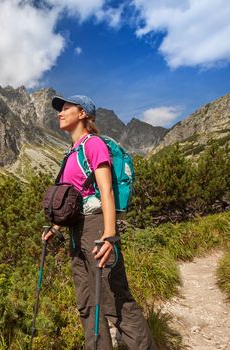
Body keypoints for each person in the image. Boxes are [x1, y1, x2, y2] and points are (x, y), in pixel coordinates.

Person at [41, 95, 156, 349]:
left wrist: (109, 235)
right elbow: (74, 199)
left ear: (82, 113)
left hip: (95, 226)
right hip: (76, 230)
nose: (60, 112)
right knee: (85, 302)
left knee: (113, 299)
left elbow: (106, 191)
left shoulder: (92, 144)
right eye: (60, 109)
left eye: (66, 108)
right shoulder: (71, 152)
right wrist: (56, 228)